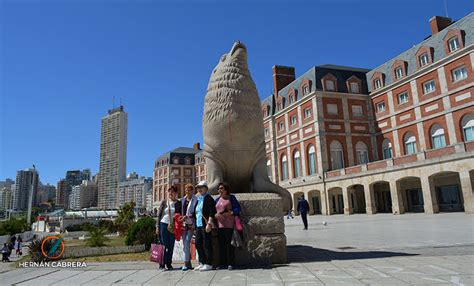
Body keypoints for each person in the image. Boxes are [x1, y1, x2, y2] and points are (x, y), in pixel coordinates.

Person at [215, 182, 241, 270]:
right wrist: (215, 215)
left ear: (226, 190)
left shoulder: (231, 198)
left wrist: (230, 212)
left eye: (221, 188)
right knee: (221, 245)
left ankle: (231, 263)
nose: (219, 190)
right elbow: (214, 210)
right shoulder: (217, 199)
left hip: (229, 224)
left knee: (230, 245)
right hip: (220, 225)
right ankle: (223, 263)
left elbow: (237, 208)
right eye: (218, 188)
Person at [156, 186, 182, 271]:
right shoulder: (164, 202)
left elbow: (180, 215)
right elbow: (159, 215)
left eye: (172, 192)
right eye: (169, 192)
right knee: (164, 245)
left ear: (176, 193)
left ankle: (169, 263)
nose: (170, 193)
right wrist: (157, 226)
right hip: (163, 224)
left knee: (171, 245)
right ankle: (162, 265)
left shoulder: (178, 203)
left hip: (173, 226)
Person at [193, 180, 216, 272]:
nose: (199, 189)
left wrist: (209, 223)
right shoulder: (199, 199)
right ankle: (202, 262)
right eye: (198, 187)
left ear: (206, 188)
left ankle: (209, 263)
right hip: (198, 224)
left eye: (201, 187)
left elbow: (212, 211)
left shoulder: (208, 198)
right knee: (198, 243)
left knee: (207, 243)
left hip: (206, 224)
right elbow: (196, 212)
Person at [180, 184, 198, 271]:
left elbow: (195, 212)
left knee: (187, 242)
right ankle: (188, 263)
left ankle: (185, 263)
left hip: (191, 224)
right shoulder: (183, 199)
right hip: (183, 225)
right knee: (184, 244)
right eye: (186, 190)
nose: (187, 191)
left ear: (192, 191)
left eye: (189, 190)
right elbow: (180, 211)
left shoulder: (195, 199)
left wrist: (187, 216)